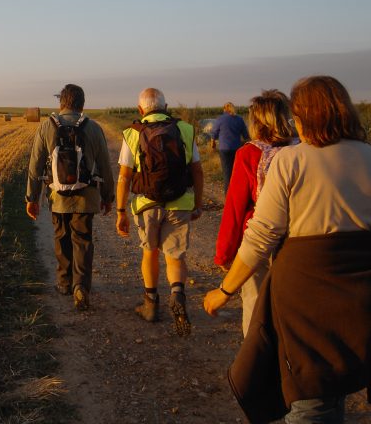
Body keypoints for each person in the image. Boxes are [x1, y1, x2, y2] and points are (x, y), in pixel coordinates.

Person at [204, 76, 371, 423]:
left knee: (310, 397)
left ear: (306, 117)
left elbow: (260, 236)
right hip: (366, 299)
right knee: (339, 380)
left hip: (306, 299)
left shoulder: (291, 162)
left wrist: (224, 290)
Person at [116, 88, 204, 336]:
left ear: (140, 109)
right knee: (175, 256)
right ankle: (177, 294)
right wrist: (197, 203)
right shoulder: (185, 130)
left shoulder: (133, 133)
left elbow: (124, 177)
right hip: (179, 202)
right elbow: (197, 170)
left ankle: (150, 305)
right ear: (165, 108)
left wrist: (121, 211)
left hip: (147, 204)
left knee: (150, 253)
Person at [213, 89, 296, 336]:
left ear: (256, 121)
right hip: (298, 242)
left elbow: (235, 210)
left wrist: (224, 254)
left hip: (259, 244)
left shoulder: (250, 153)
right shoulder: (303, 150)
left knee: (255, 304)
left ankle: (255, 362)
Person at [26, 84, 115, 311]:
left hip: (57, 196)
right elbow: (105, 165)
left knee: (61, 236)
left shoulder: (47, 126)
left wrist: (32, 198)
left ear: (61, 103)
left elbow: (35, 166)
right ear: (82, 104)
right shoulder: (93, 128)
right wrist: (108, 196)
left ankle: (64, 282)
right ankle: (81, 287)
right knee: (83, 240)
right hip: (87, 196)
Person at [211, 102, 249, 196]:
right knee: (236, 172)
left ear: (224, 109)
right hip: (237, 149)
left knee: (227, 173)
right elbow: (246, 135)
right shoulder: (239, 119)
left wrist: (213, 144)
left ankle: (228, 197)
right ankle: (238, 195)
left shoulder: (220, 119)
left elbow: (214, 134)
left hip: (224, 149)